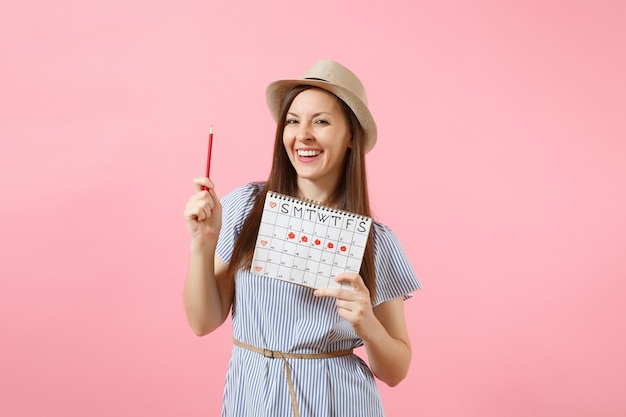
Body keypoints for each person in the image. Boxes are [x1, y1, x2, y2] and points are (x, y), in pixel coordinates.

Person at [183, 59, 421, 417]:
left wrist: (367, 325)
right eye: (293, 121)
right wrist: (202, 244)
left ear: (351, 136)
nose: (303, 134)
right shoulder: (244, 206)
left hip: (338, 402)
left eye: (321, 121)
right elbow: (203, 322)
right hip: (253, 397)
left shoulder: (377, 242)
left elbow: (396, 370)